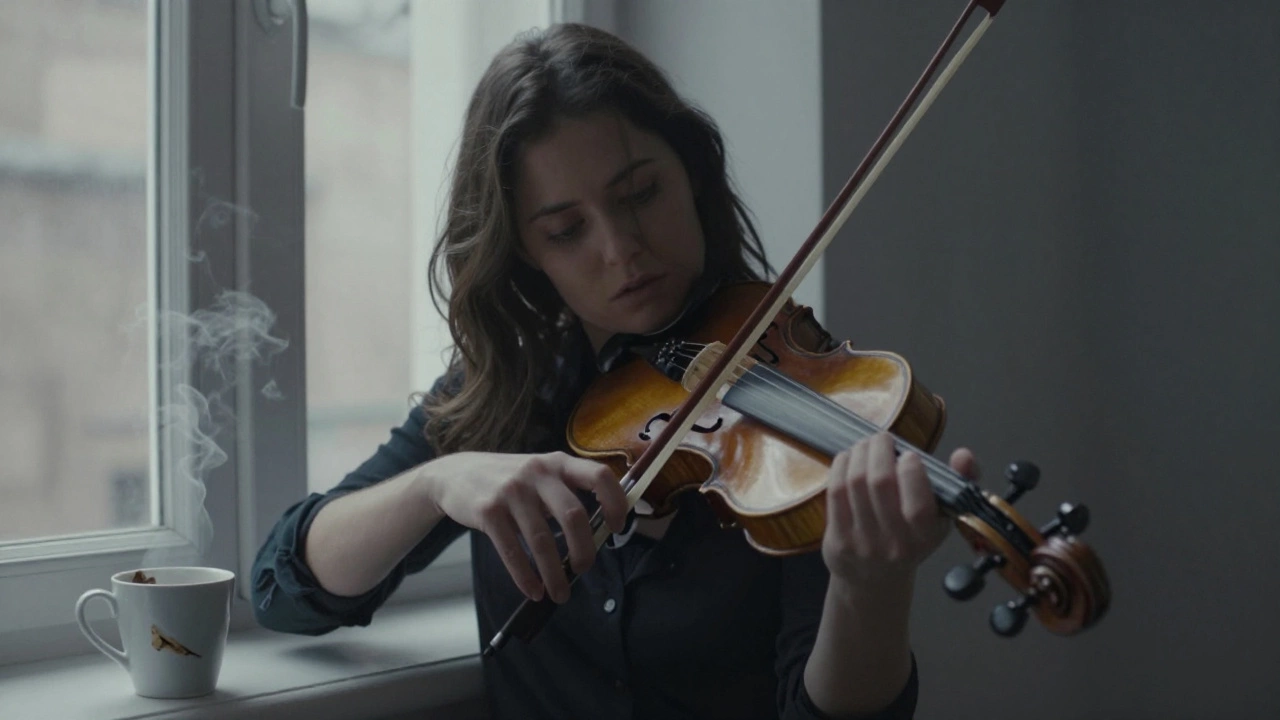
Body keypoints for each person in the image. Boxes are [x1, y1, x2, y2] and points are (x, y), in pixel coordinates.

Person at [251, 22, 978, 720]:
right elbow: (285, 589)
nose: (621, 247)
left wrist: (868, 588)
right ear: (528, 251)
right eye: (567, 230)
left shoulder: (802, 402)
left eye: (639, 195)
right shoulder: (510, 391)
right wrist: (441, 483)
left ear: (690, 173)